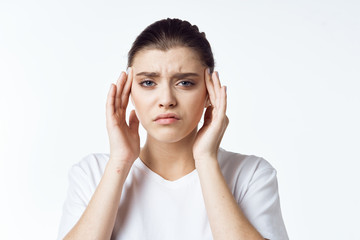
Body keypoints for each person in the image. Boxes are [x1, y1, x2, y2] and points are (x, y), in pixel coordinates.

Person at [57, 18, 289, 240]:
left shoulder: (250, 175)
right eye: (148, 82)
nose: (166, 99)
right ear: (128, 91)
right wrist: (120, 162)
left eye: (185, 82)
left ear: (210, 93)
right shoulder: (92, 174)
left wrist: (206, 160)